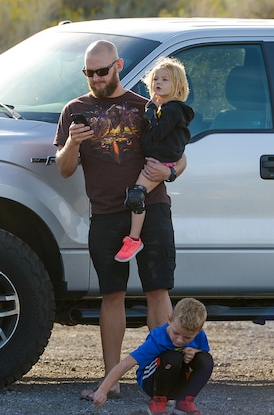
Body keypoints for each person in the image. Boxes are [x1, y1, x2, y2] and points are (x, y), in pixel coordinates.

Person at [54, 39, 186, 401]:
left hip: (152, 209)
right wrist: (73, 144)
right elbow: (64, 169)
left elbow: (179, 157)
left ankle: (164, 377)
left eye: (102, 71)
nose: (96, 79)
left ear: (118, 66)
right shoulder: (74, 110)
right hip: (106, 214)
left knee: (157, 292)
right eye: (89, 73)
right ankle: (110, 382)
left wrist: (169, 173)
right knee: (111, 295)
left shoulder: (146, 107)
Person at [116, 56, 195, 262]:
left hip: (159, 164)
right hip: (161, 161)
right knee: (136, 195)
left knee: (136, 196)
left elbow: (159, 134)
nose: (158, 83)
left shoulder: (171, 110)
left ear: (178, 85)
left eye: (165, 80)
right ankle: (133, 238)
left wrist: (150, 114)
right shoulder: (169, 109)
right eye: (155, 79)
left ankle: (133, 239)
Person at [92, 298, 213, 415]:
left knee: (206, 360)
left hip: (177, 383)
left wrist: (194, 353)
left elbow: (202, 361)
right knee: (172, 357)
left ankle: (184, 403)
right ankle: (158, 402)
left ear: (199, 331)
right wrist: (103, 390)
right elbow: (126, 364)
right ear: (169, 320)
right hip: (152, 382)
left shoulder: (199, 336)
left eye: (187, 338)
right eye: (176, 333)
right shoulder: (158, 338)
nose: (180, 340)